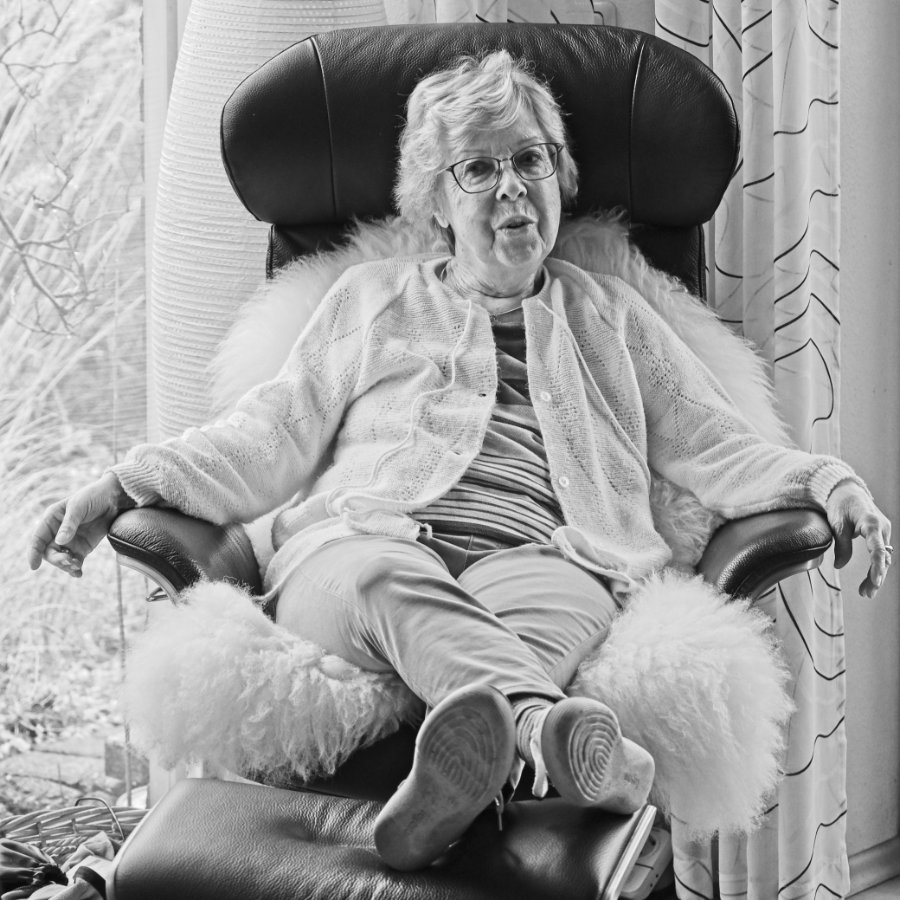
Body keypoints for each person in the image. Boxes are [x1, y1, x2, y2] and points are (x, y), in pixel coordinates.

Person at [29, 51, 890, 871]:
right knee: (383, 579)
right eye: (478, 168)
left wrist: (828, 483)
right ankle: (560, 738)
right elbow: (265, 434)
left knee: (541, 627)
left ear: (559, 176)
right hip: (365, 549)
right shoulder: (371, 300)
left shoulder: (616, 316)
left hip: (549, 557)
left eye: (531, 159)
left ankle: (447, 799)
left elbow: (716, 441)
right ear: (436, 203)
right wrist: (124, 483)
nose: (512, 185)